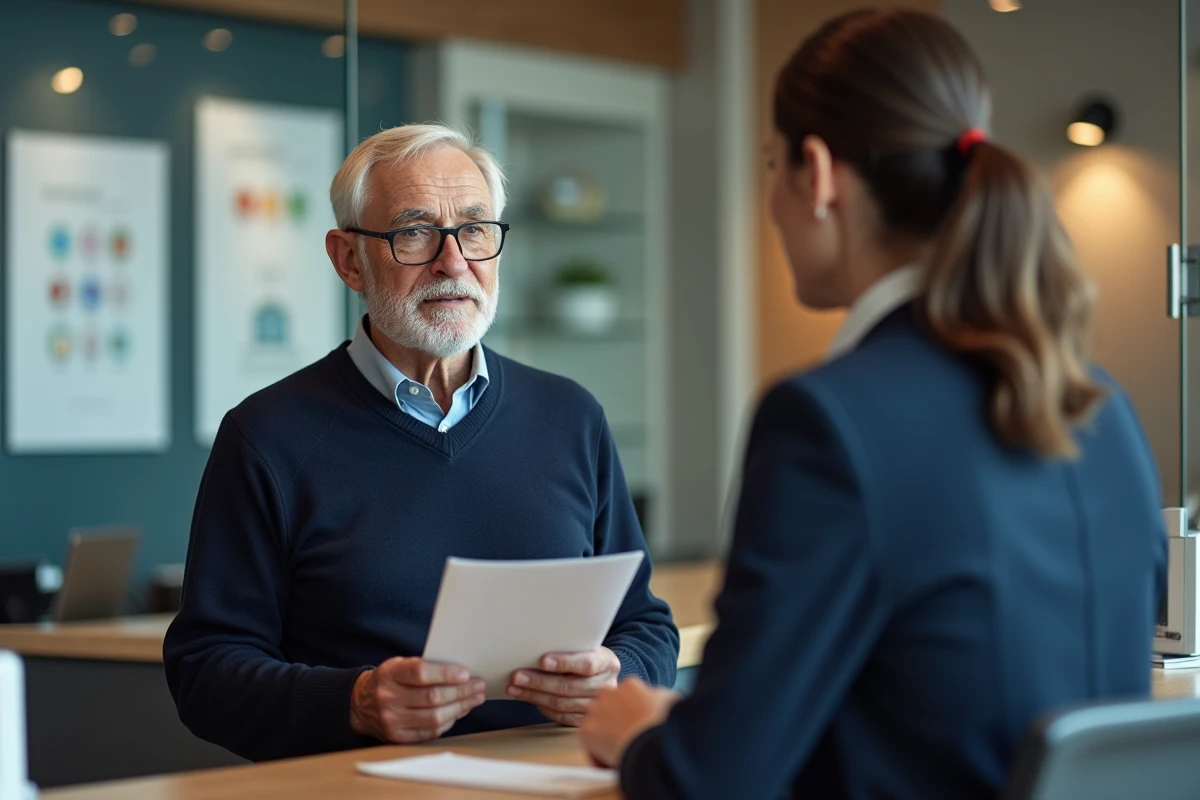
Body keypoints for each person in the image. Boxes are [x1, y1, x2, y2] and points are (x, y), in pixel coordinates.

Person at [579, 8, 1166, 798]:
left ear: (817, 174)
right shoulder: (1103, 409)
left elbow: (710, 779)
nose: (774, 202)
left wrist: (646, 735)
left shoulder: (827, 422)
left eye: (771, 165)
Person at [164, 123, 679, 762]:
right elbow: (204, 673)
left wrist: (617, 672)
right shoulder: (266, 436)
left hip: (561, 781)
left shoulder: (570, 416)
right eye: (413, 232)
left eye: (475, 229)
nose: (454, 262)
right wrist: (353, 702)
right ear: (348, 259)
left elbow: (647, 625)